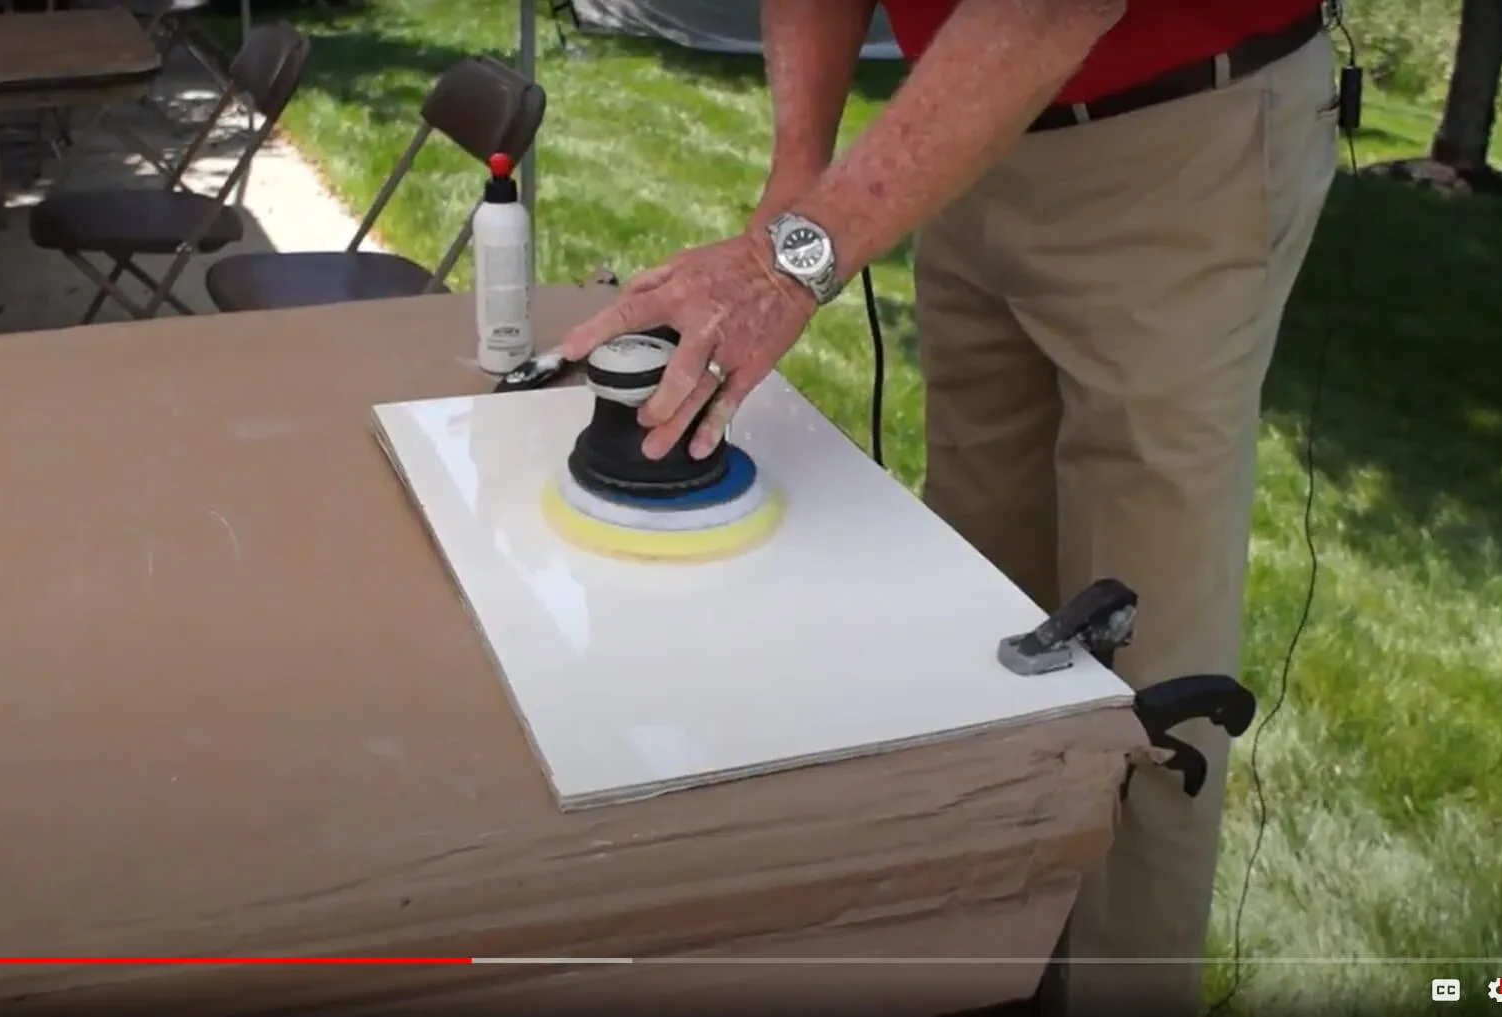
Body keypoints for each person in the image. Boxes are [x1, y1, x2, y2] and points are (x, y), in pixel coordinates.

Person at [554, 0, 1339, 1012]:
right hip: (963, 135)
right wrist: (799, 184)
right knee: (978, 622)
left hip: (1175, 136)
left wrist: (785, 265)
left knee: (1140, 680)